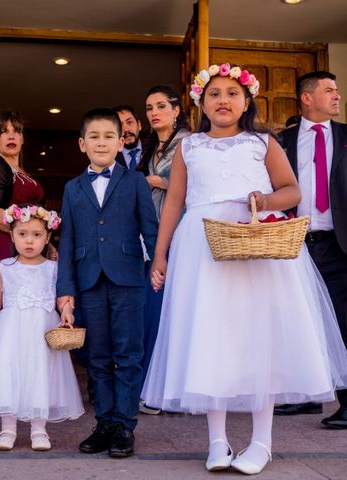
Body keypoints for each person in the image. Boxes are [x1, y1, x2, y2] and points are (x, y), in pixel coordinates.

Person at [142, 63, 347, 474]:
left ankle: (261, 442)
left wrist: (264, 201)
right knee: (211, 337)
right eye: (215, 94)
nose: (223, 100)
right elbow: (174, 202)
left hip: (256, 242)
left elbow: (292, 190)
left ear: (246, 101)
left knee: (261, 339)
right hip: (203, 245)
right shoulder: (190, 147)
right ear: (201, 102)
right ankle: (217, 441)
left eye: (232, 93)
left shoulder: (263, 141)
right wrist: (162, 252)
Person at [274, 71, 347, 429]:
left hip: (346, 245)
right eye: (329, 90)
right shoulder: (281, 142)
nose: (337, 96)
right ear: (307, 98)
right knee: (299, 323)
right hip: (297, 245)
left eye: (338, 90)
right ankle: (306, 396)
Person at [57, 108, 158, 458]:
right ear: (82, 144)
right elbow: (67, 241)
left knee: (128, 353)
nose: (102, 142)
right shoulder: (72, 188)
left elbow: (151, 228)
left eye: (108, 136)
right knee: (96, 355)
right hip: (88, 280)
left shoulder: (135, 182)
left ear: (121, 141)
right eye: (94, 137)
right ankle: (104, 423)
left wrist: (158, 266)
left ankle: (124, 424)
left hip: (128, 278)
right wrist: (65, 291)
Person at [0, 204, 84, 451]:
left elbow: (62, 297)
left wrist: (66, 311)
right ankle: (7, 429)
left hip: (41, 330)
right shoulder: (6, 266)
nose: (29, 241)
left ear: (47, 238)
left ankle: (39, 429)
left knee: (39, 375)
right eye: (22, 234)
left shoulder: (53, 268)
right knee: (8, 373)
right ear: (12, 236)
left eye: (36, 235)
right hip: (11, 329)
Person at [137, 86, 191, 415]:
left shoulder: (188, 143)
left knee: (170, 310)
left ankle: (171, 390)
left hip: (181, 233)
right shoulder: (153, 146)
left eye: (160, 106)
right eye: (149, 107)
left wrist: (161, 183)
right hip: (155, 235)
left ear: (175, 109)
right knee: (154, 312)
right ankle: (156, 387)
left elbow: (200, 186)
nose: (154, 112)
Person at [0, 111, 45, 315]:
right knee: (0, 297)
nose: (11, 136)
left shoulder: (23, 171)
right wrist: (27, 235)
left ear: (23, 139)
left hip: (22, 242)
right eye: (4, 132)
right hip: (1, 241)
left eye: (16, 131)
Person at [112, 105, 143, 170]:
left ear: (139, 125)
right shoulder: (109, 158)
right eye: (119, 126)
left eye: (129, 122)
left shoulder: (154, 149)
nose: (126, 129)